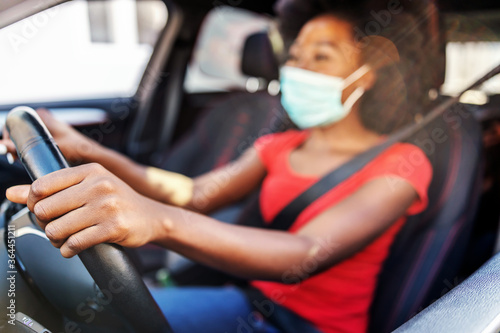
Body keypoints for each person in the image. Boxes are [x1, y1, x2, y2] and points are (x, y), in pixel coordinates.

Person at [2, 12, 432, 333]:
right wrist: (90, 150)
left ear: (369, 73)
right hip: (250, 302)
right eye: (295, 57)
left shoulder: (402, 163)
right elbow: (197, 193)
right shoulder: (278, 146)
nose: (299, 70)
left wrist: (156, 219)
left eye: (321, 56)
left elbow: (306, 252)